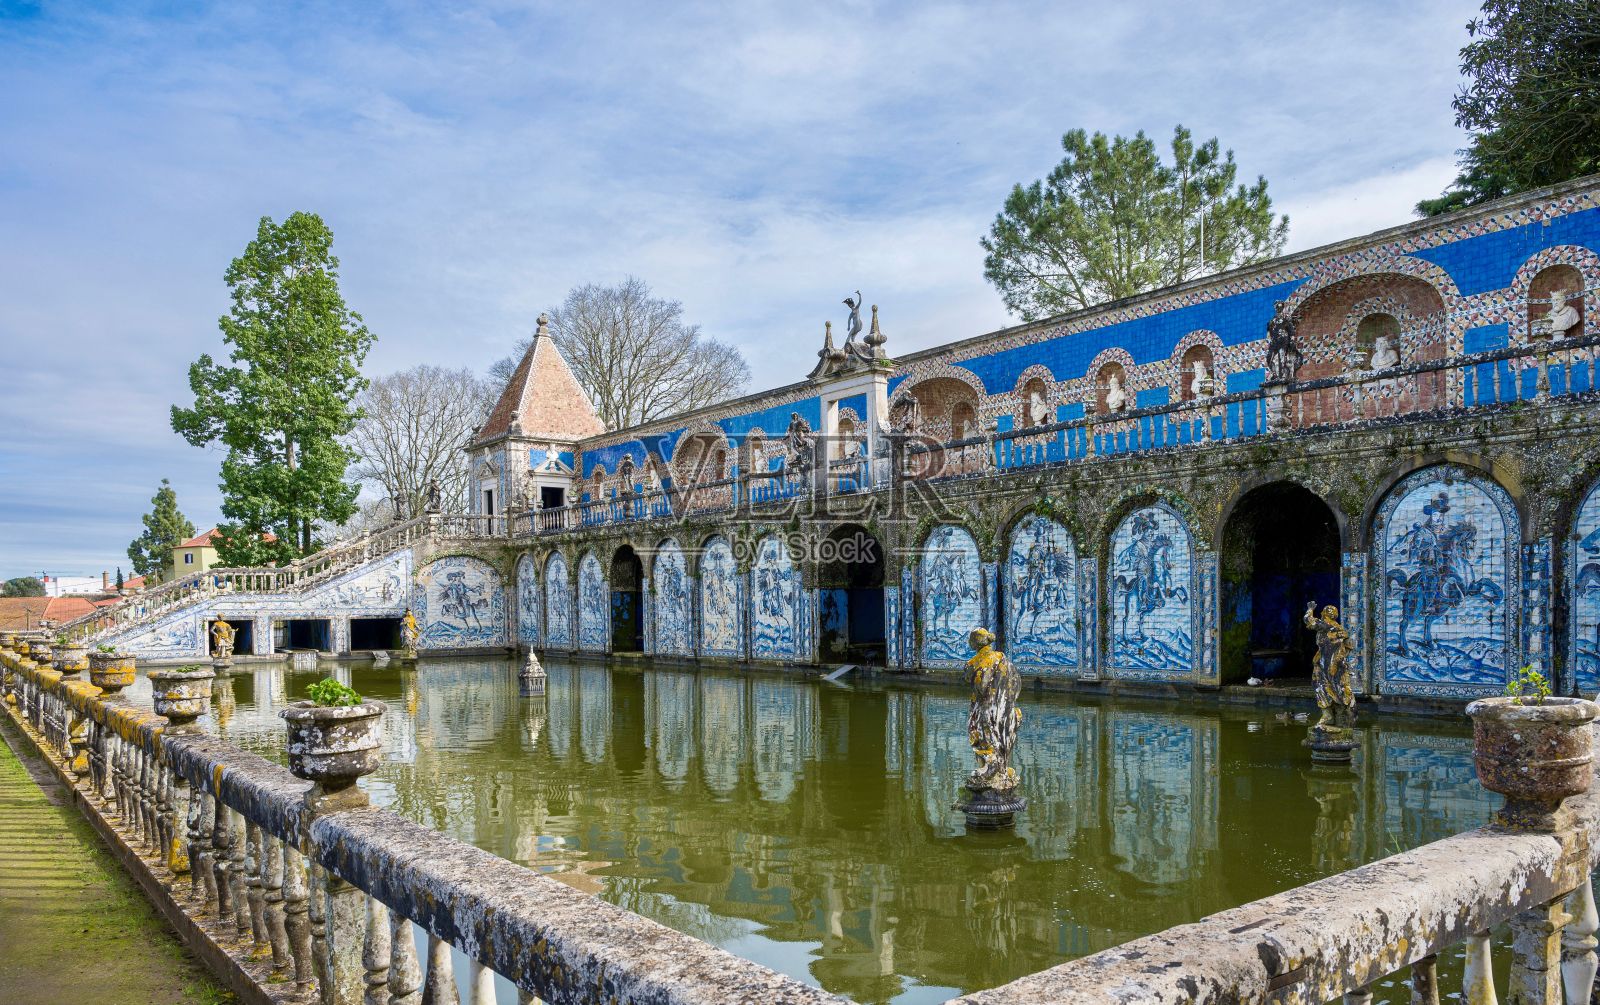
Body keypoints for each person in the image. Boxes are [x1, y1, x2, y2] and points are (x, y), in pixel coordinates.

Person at [963, 628, 1022, 794]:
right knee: (1001, 737)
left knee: (982, 735)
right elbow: (1014, 681)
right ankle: (1001, 769)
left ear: (974, 643)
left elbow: (978, 685)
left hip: (985, 708)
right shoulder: (1001, 657)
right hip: (1003, 706)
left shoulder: (974, 663)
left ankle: (992, 768)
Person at [1304, 603, 1356, 728]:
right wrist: (1339, 657)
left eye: (1323, 613)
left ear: (1325, 614)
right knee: (1338, 687)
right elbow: (1349, 645)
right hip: (1339, 664)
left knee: (1321, 686)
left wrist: (1310, 609)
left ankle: (1328, 716)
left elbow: (1308, 620)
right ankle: (1339, 717)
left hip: (1325, 664)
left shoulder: (1325, 625)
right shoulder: (1340, 629)